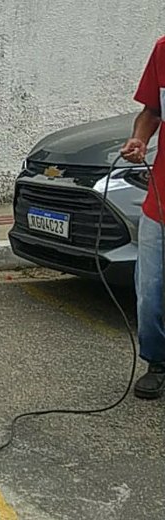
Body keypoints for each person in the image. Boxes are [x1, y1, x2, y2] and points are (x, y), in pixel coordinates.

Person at [120, 36, 165, 400]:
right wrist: (140, 138)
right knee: (149, 293)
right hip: (160, 202)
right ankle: (157, 361)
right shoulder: (164, 50)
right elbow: (152, 111)